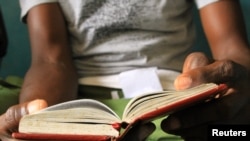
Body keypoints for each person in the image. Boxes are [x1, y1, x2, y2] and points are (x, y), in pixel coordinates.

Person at [1, 0, 250, 140]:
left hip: (171, 97)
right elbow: (51, 58)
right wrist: (41, 123)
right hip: (80, 98)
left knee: (232, 133)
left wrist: (238, 88)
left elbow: (231, 45)